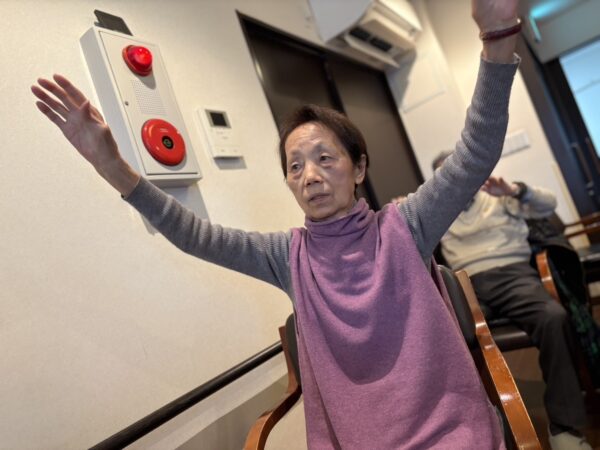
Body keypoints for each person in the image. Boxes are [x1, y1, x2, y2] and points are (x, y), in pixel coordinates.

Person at [32, 1, 521, 447]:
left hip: (450, 437)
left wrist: (497, 37)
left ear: (359, 168)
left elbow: (475, 153)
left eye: (325, 158)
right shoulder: (288, 257)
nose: (310, 176)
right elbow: (195, 236)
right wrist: (113, 167)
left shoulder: (407, 226)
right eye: (295, 166)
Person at [433, 152, 592, 450]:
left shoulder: (497, 196)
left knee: (553, 317)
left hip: (514, 276)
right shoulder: (439, 209)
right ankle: (471, 434)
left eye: (460, 169)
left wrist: (515, 190)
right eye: (448, 175)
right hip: (467, 284)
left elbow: (548, 204)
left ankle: (564, 429)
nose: (458, 178)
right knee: (441, 338)